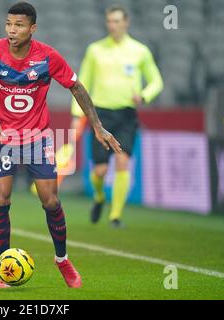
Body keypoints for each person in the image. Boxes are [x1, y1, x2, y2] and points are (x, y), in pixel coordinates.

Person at [0, 2, 121, 288]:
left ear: (32, 28)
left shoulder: (47, 57)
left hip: (37, 138)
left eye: (18, 25)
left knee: (50, 200)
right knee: (1, 199)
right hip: (2, 139)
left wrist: (96, 125)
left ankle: (62, 260)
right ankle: (6, 267)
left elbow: (76, 86)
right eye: (9, 24)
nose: (12, 30)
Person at [71, 5, 163, 228]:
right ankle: (100, 196)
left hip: (126, 115)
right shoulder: (95, 50)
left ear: (126, 22)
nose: (113, 25)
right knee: (100, 171)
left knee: (123, 162)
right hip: (100, 115)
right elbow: (80, 84)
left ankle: (115, 216)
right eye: (109, 21)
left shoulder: (140, 51)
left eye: (117, 21)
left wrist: (144, 95)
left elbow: (156, 81)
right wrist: (77, 115)